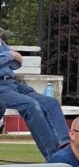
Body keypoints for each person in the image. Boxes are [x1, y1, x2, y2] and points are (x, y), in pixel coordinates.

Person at [0, 30, 71, 160]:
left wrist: (8, 57)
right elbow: (13, 57)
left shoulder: (2, 44)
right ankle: (53, 159)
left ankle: (66, 147)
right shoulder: (7, 51)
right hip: (1, 88)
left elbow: (17, 62)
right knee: (31, 105)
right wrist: (9, 56)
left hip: (13, 83)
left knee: (51, 103)